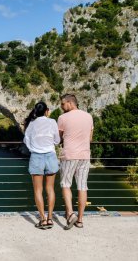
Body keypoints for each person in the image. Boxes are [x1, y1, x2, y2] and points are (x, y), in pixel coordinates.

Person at [58, 94, 94, 230]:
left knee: (66, 184)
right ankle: (80, 220)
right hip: (85, 155)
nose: (61, 107)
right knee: (82, 186)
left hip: (69, 155)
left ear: (70, 103)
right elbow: (90, 138)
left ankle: (70, 214)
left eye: (63, 104)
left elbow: (59, 138)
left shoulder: (62, 118)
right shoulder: (88, 116)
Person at [24, 101, 60, 229]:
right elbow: (57, 140)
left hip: (36, 157)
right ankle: (50, 218)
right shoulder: (52, 122)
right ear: (46, 111)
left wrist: (34, 148)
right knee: (50, 189)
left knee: (38, 190)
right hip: (50, 156)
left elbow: (26, 140)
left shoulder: (32, 124)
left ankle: (43, 219)